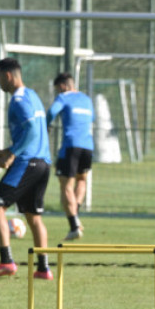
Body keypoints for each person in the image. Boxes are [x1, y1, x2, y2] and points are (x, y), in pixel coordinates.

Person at [0, 58, 53, 280]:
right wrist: (8, 150)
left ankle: (6, 262)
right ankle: (43, 269)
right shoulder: (33, 96)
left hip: (27, 163)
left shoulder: (18, 100)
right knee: (33, 217)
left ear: (8, 76)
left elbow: (32, 130)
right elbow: (33, 133)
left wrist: (13, 155)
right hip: (43, 163)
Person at [46, 72, 95, 241]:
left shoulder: (63, 97)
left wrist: (46, 125)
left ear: (62, 86)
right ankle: (76, 215)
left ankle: (74, 225)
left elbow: (52, 112)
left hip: (71, 146)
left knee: (66, 186)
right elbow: (92, 119)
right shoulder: (87, 99)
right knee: (82, 180)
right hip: (88, 146)